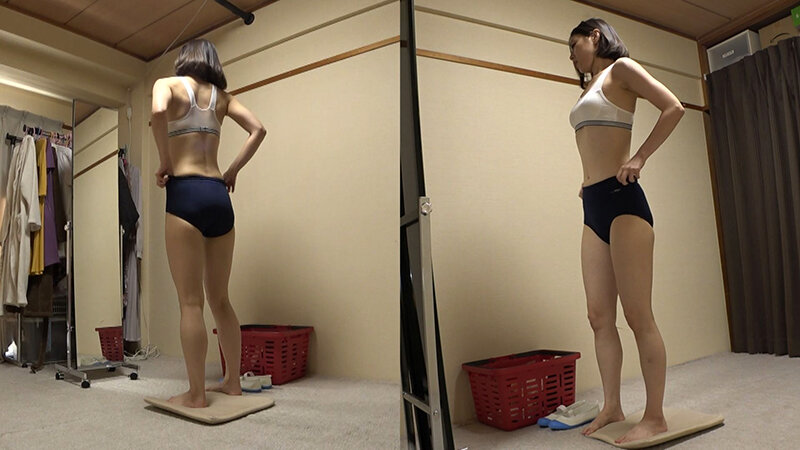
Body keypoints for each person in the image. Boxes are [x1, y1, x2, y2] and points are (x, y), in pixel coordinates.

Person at [567, 19, 684, 443]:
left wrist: (639, 158)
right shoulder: (589, 87)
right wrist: (588, 181)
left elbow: (674, 107)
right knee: (599, 316)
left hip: (624, 202)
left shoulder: (621, 70)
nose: (572, 56)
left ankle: (655, 416)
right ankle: (612, 406)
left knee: (638, 316)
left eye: (574, 45)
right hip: (594, 206)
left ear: (595, 36)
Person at [150, 38, 266, 408]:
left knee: (190, 302)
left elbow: (157, 112)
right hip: (218, 195)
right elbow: (258, 129)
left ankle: (197, 394)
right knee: (221, 299)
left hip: (185, 193)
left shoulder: (167, 84)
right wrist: (232, 171)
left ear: (184, 59)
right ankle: (232, 382)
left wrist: (165, 161)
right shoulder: (223, 98)